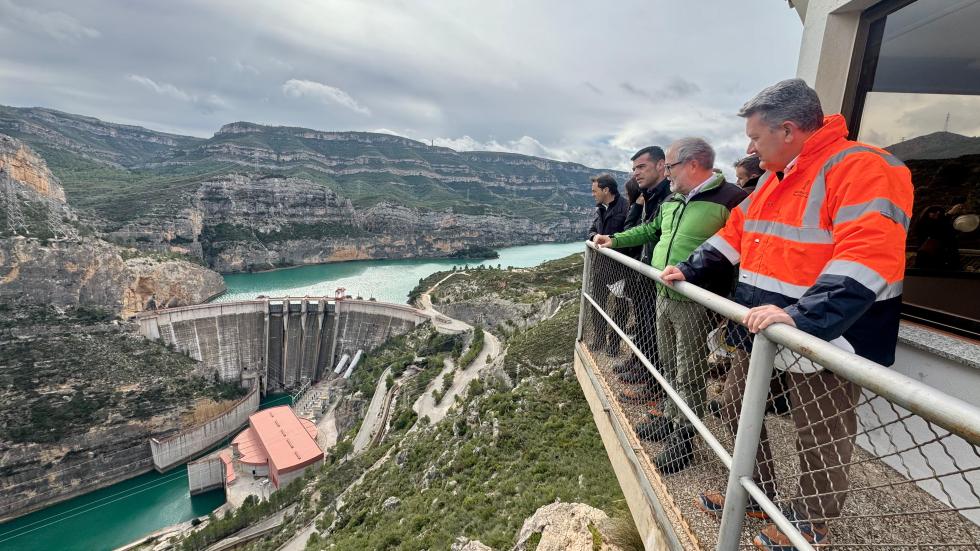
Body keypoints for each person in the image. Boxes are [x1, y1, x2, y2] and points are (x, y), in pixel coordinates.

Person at [661, 78, 913, 549]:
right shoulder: (776, 180)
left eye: (755, 137)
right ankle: (759, 493)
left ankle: (810, 519)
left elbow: (868, 255)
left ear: (790, 130)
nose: (750, 149)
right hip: (766, 325)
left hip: (829, 333)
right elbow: (736, 234)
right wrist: (688, 270)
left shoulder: (864, 168)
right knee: (737, 402)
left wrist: (805, 318)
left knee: (819, 428)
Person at [594, 138, 746, 473]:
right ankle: (670, 416)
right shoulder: (674, 201)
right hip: (664, 294)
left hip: (696, 301)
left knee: (689, 371)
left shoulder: (732, 199)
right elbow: (651, 231)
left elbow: (742, 251)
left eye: (671, 166)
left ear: (692, 164)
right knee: (668, 363)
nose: (668, 173)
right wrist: (615, 240)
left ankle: (683, 441)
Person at [612, 147, 673, 395]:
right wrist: (614, 239)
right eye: (634, 168)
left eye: (641, 167)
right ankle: (647, 375)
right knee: (647, 327)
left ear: (661, 165)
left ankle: (654, 387)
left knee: (657, 333)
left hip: (659, 278)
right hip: (647, 274)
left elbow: (649, 232)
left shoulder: (668, 197)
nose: (636, 173)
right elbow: (645, 231)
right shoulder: (650, 196)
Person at [586, 173, 628, 354]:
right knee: (597, 304)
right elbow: (592, 230)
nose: (593, 194)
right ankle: (600, 338)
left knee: (621, 308)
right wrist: (594, 236)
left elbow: (629, 235)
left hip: (619, 270)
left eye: (595, 191)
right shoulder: (600, 208)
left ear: (606, 190)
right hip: (600, 267)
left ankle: (614, 344)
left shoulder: (626, 208)